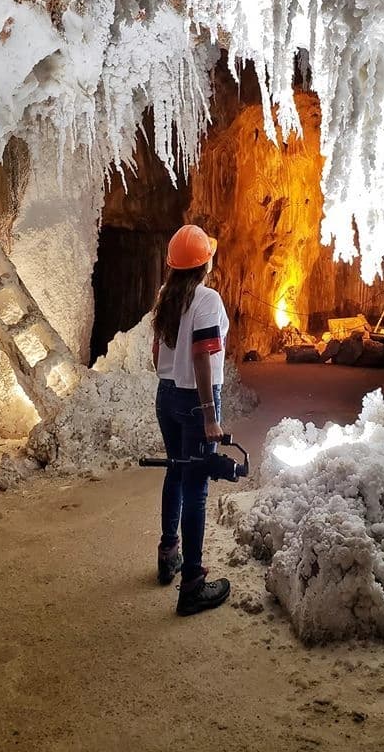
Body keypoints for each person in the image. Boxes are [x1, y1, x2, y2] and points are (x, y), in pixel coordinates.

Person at [151, 224, 231, 616]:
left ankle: (169, 553)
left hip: (166, 395)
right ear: (204, 263)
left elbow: (156, 354)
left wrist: (171, 373)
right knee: (196, 487)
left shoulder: (165, 296)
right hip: (195, 400)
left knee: (175, 472)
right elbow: (202, 355)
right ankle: (193, 584)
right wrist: (209, 414)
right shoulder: (207, 299)